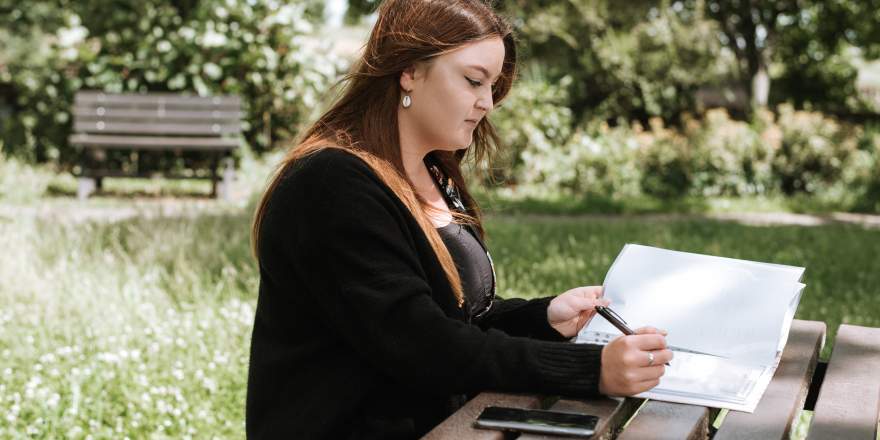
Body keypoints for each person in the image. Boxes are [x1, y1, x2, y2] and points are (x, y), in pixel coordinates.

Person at [246, 0, 672, 438]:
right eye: (473, 80)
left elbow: (457, 321)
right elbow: (422, 346)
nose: (487, 102)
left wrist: (543, 317)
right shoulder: (329, 186)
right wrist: (590, 369)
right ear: (409, 70)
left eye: (492, 85)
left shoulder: (433, 171)